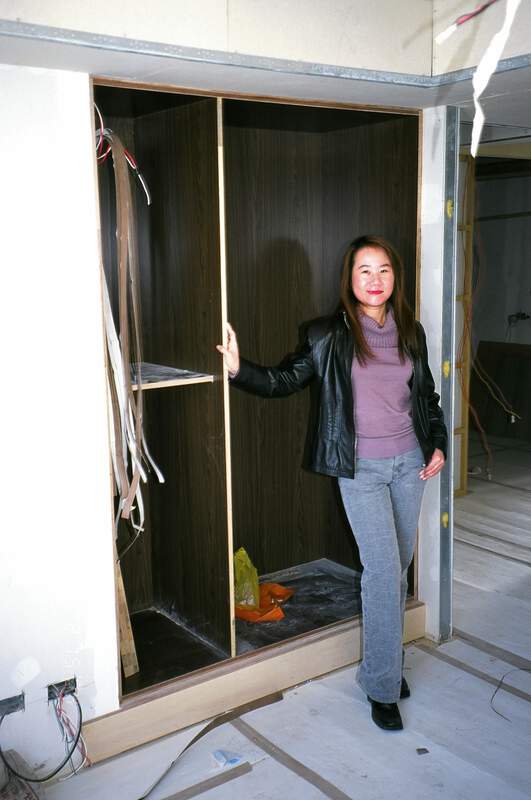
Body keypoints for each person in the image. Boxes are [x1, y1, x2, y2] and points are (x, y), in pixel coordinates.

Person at [217, 234, 447, 731]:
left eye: (383, 270)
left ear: (395, 277)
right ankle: (382, 685)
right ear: (350, 279)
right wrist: (239, 369)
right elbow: (283, 379)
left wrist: (438, 443)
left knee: (396, 570)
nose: (375, 280)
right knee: (382, 572)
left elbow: (426, 395)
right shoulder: (327, 335)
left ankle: (384, 664)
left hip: (410, 464)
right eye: (365, 270)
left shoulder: (411, 331)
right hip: (360, 469)